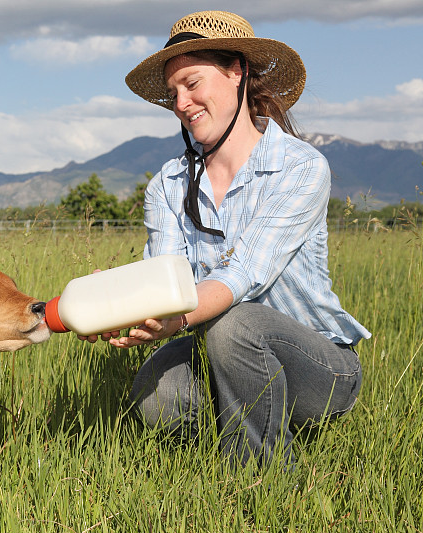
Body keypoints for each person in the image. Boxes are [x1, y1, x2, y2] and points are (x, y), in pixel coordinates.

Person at [82, 10, 370, 468]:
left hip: (319, 366)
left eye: (192, 83)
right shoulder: (168, 184)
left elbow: (246, 274)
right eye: (174, 92)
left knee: (236, 323)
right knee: (156, 392)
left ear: (237, 71)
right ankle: (232, 430)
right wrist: (121, 302)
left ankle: (261, 481)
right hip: (217, 347)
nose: (181, 102)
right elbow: (167, 279)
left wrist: (177, 320)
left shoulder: (299, 166)